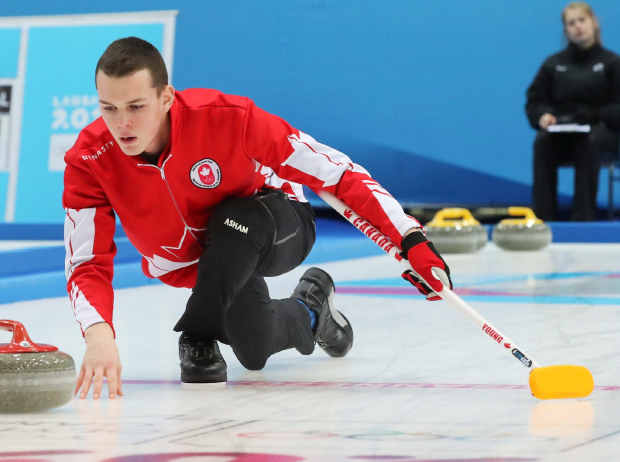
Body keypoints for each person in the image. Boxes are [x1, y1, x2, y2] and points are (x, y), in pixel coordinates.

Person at [64, 37, 453, 398]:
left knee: (234, 218)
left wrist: (410, 239)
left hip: (276, 222)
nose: (122, 124)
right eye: (108, 108)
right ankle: (311, 309)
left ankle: (197, 333)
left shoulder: (227, 118)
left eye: (136, 107)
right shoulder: (89, 160)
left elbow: (337, 173)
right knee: (253, 349)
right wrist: (99, 335)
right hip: (212, 263)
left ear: (165, 97)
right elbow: (87, 262)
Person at [525, 1, 620, 221]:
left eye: (582, 20)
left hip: (599, 132)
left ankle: (583, 220)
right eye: (571, 23)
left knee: (587, 141)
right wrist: (542, 116)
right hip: (562, 131)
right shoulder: (553, 64)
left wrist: (596, 116)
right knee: (542, 141)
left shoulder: (613, 63)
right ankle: (543, 220)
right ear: (565, 30)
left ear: (594, 22)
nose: (577, 26)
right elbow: (534, 101)